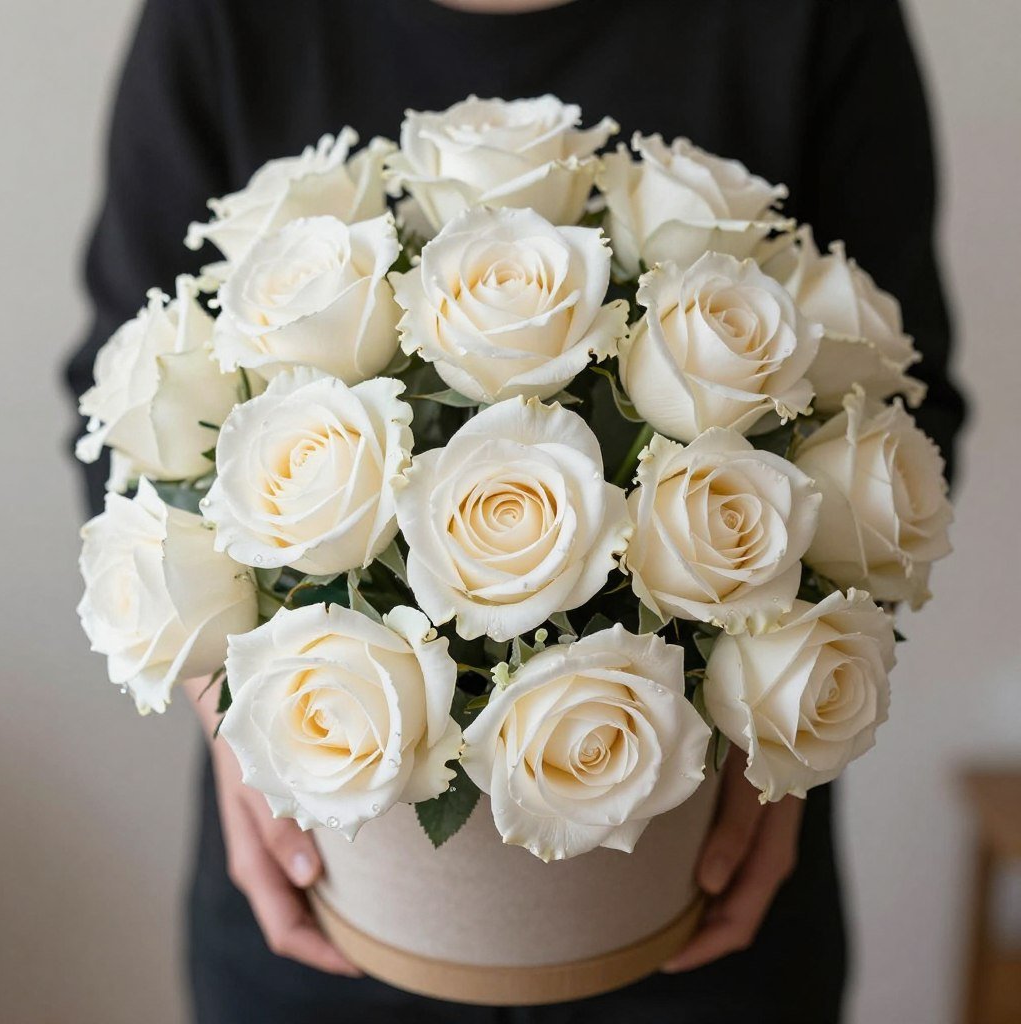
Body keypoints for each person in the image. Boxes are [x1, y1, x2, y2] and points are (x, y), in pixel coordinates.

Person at [65, 1, 966, 1021]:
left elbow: (903, 414)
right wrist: (222, 712)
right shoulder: (218, 18)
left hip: (711, 902)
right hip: (319, 886)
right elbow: (128, 408)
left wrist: (793, 714)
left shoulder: (814, 19)